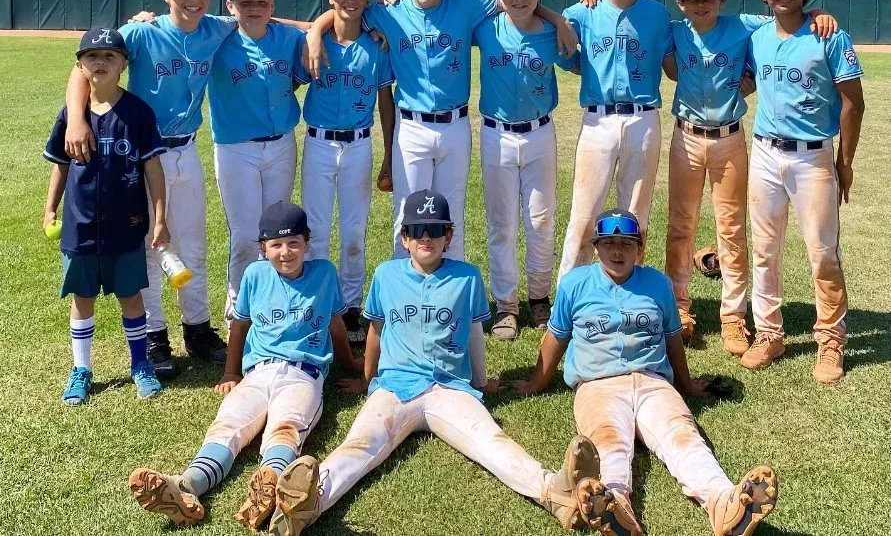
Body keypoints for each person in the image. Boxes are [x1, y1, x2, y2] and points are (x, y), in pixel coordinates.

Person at [265, 190, 604, 536]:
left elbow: (474, 333)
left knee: (490, 440)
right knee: (360, 444)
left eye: (435, 229)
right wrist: (368, 380)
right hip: (394, 387)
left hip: (449, 387)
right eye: (417, 230)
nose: (426, 237)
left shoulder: (467, 277)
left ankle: (554, 491)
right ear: (404, 239)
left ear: (449, 237)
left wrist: (479, 380)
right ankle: (308, 503)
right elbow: (376, 332)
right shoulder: (386, 274)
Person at [304, 0, 578, 261]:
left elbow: (515, 1)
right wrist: (313, 32)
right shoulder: (388, 11)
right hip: (411, 126)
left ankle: (453, 292)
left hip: (455, 125)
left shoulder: (466, 4)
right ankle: (403, 288)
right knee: (407, 210)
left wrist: (559, 20)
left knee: (452, 210)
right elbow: (343, 13)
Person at [514, 210, 779, 536]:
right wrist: (536, 382)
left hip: (653, 383)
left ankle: (725, 504)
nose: (616, 251)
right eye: (608, 243)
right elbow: (556, 336)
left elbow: (672, 338)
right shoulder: (574, 284)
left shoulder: (657, 284)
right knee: (609, 443)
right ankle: (614, 505)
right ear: (595, 247)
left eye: (626, 244)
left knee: (683, 438)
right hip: (598, 386)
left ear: (639, 247)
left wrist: (687, 385)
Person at [128, 201, 363, 530]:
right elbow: (239, 326)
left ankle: (270, 485)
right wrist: (231, 371)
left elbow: (335, 323)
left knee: (286, 428)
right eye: (276, 244)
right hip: (257, 373)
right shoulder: (254, 275)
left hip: (302, 375)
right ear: (263, 248)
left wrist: (351, 363)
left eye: (294, 242)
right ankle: (185, 487)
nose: (285, 252)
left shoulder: (324, 273)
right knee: (227, 426)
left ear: (307, 243)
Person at [62, 0, 235, 375]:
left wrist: (323, 26)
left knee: (191, 244)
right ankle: (156, 335)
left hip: (186, 149)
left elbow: (260, 15)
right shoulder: (142, 31)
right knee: (149, 245)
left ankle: (197, 328)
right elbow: (84, 63)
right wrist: (76, 117)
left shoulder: (216, 28)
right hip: (141, 155)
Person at [659, 0, 838, 348]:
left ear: (722, 0)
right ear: (681, 4)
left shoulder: (744, 25)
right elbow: (668, 67)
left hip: (730, 139)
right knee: (680, 225)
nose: (701, 4)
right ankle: (680, 309)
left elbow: (787, 17)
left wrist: (818, 14)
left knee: (731, 228)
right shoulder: (674, 31)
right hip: (686, 137)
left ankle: (733, 317)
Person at [743, 0, 865, 385]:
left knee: (822, 253)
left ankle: (831, 340)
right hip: (764, 154)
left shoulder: (830, 35)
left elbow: (854, 103)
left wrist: (844, 162)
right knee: (764, 250)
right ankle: (769, 333)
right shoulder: (754, 35)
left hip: (813, 156)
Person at [43, 28, 169, 405]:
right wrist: (50, 207)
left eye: (109, 56)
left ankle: (140, 364)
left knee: (131, 295)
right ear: (79, 65)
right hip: (80, 226)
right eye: (92, 56)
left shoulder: (137, 113)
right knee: (82, 297)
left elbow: (154, 171)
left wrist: (160, 217)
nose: (100, 63)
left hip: (126, 223)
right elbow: (61, 167)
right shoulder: (71, 115)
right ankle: (81, 369)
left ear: (123, 65)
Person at [472, 0, 579, 340]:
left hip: (539, 133)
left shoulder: (552, 32)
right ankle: (506, 305)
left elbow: (581, 62)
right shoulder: (485, 27)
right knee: (501, 222)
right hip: (496, 134)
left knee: (541, 218)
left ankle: (538, 297)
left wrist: (562, 21)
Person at [557, 0, 673, 281]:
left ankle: (630, 292)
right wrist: (582, 66)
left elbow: (674, 61)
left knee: (636, 212)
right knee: (585, 212)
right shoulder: (583, 11)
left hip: (643, 119)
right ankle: (569, 291)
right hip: (598, 120)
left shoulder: (657, 14)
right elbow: (562, 49)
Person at [294, 0, 395, 345]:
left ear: (367, 1)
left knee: (353, 230)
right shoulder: (313, 42)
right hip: (319, 142)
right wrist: (315, 33)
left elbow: (386, 103)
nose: (350, 0)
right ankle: (321, 301)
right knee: (316, 229)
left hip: (358, 142)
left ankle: (351, 305)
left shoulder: (377, 45)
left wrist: (388, 153)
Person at [208, 0, 306, 332]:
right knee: (247, 231)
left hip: (281, 143)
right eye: (245, 2)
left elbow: (332, 26)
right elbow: (182, 24)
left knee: (276, 229)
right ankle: (237, 299)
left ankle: (271, 296)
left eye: (262, 2)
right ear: (230, 5)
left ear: (272, 6)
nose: (254, 8)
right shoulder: (216, 36)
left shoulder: (288, 38)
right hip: (236, 148)